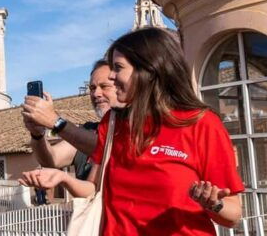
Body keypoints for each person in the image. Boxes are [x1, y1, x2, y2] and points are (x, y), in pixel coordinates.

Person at [20, 28, 244, 234]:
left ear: (149, 70)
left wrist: (214, 203)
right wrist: (62, 178)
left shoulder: (202, 124)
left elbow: (233, 215)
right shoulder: (113, 123)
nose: (111, 76)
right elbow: (94, 189)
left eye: (118, 68)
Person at [22, 60, 120, 180]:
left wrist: (55, 122)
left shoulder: (135, 130)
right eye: (92, 88)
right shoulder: (88, 130)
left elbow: (108, 148)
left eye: (104, 86)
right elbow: (52, 159)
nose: (96, 93)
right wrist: (37, 134)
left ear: (122, 88)